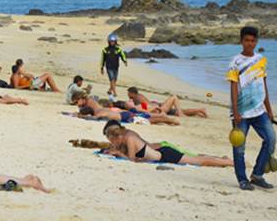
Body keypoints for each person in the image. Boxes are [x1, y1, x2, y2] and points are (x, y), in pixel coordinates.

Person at [227, 26, 276, 190]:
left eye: (253, 41)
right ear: (241, 41)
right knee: (239, 147)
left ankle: (257, 175)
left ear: (256, 42)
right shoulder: (235, 62)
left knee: (270, 139)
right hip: (241, 112)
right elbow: (233, 87)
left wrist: (269, 109)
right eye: (246, 40)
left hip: (259, 110)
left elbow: (264, 84)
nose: (250, 43)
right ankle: (242, 180)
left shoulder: (261, 60)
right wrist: (235, 111)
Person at [102, 120, 233, 166]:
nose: (112, 142)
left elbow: (132, 160)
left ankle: (229, 162)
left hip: (166, 154)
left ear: (116, 136)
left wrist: (119, 153)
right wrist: (114, 151)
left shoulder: (129, 138)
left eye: (111, 140)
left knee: (199, 161)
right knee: (196, 158)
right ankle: (223, 160)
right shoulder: (126, 137)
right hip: (162, 153)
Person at [126, 87, 207, 117]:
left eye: (128, 93)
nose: (128, 95)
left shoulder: (138, 98)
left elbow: (146, 106)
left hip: (159, 109)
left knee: (174, 97)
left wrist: (155, 108)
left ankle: (181, 114)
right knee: (180, 110)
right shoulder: (138, 97)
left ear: (132, 93)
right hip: (158, 108)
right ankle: (199, 110)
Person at [76, 106, 180, 125]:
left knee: (150, 120)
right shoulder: (101, 110)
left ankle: (170, 120)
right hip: (124, 114)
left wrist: (81, 116)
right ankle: (166, 119)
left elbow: (92, 118)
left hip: (126, 117)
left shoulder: (99, 114)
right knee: (149, 118)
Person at [100, 34, 127, 100]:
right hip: (109, 67)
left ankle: (109, 90)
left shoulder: (118, 49)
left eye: (113, 41)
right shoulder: (105, 50)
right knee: (112, 79)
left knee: (115, 80)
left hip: (116, 67)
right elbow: (102, 59)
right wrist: (102, 68)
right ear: (108, 42)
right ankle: (114, 92)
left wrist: (125, 61)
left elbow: (122, 55)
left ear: (115, 42)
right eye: (111, 41)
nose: (112, 42)